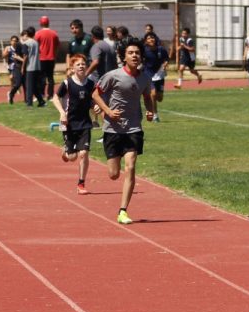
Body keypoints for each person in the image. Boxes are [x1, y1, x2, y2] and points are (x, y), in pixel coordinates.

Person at [92, 38, 156, 224]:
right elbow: (95, 94)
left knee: (131, 167)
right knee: (114, 174)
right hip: (113, 129)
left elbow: (146, 96)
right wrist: (108, 111)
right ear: (124, 56)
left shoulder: (144, 77)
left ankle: (123, 211)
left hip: (134, 128)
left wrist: (150, 111)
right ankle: (114, 167)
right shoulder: (113, 75)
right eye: (131, 53)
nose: (135, 55)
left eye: (137, 53)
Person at [56, 54, 95, 194]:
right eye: (78, 64)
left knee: (84, 153)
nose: (81, 66)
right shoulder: (67, 83)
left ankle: (81, 183)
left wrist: (95, 106)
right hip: (69, 124)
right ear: (72, 68)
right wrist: (62, 112)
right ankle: (66, 152)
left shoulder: (90, 83)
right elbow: (55, 98)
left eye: (83, 64)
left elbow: (93, 100)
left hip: (85, 123)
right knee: (72, 157)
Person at [141, 31, 170, 121]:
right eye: (149, 38)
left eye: (152, 38)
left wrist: (165, 64)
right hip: (149, 75)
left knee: (160, 98)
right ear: (146, 41)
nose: (151, 39)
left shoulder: (161, 49)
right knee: (153, 94)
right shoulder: (144, 50)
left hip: (160, 75)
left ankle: (153, 105)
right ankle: (155, 115)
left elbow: (166, 59)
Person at [34, 16, 60, 100]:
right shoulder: (54, 33)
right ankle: (50, 95)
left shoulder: (38, 33)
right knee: (50, 77)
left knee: (41, 78)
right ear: (48, 23)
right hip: (51, 58)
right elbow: (57, 46)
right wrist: (54, 55)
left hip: (41, 59)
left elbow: (35, 46)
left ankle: (41, 94)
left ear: (41, 23)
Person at [21, 26, 44, 107]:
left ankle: (29, 103)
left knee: (29, 86)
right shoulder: (36, 42)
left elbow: (25, 56)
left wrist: (22, 67)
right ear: (34, 33)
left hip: (30, 67)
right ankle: (41, 101)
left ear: (27, 33)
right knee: (34, 86)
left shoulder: (26, 43)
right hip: (37, 67)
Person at [3, 34, 26, 104]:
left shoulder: (19, 47)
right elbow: (3, 56)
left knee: (15, 80)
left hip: (18, 66)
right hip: (11, 66)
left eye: (16, 41)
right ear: (10, 41)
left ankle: (12, 92)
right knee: (12, 78)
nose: (14, 42)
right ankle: (12, 92)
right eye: (13, 41)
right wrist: (7, 53)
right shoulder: (8, 48)